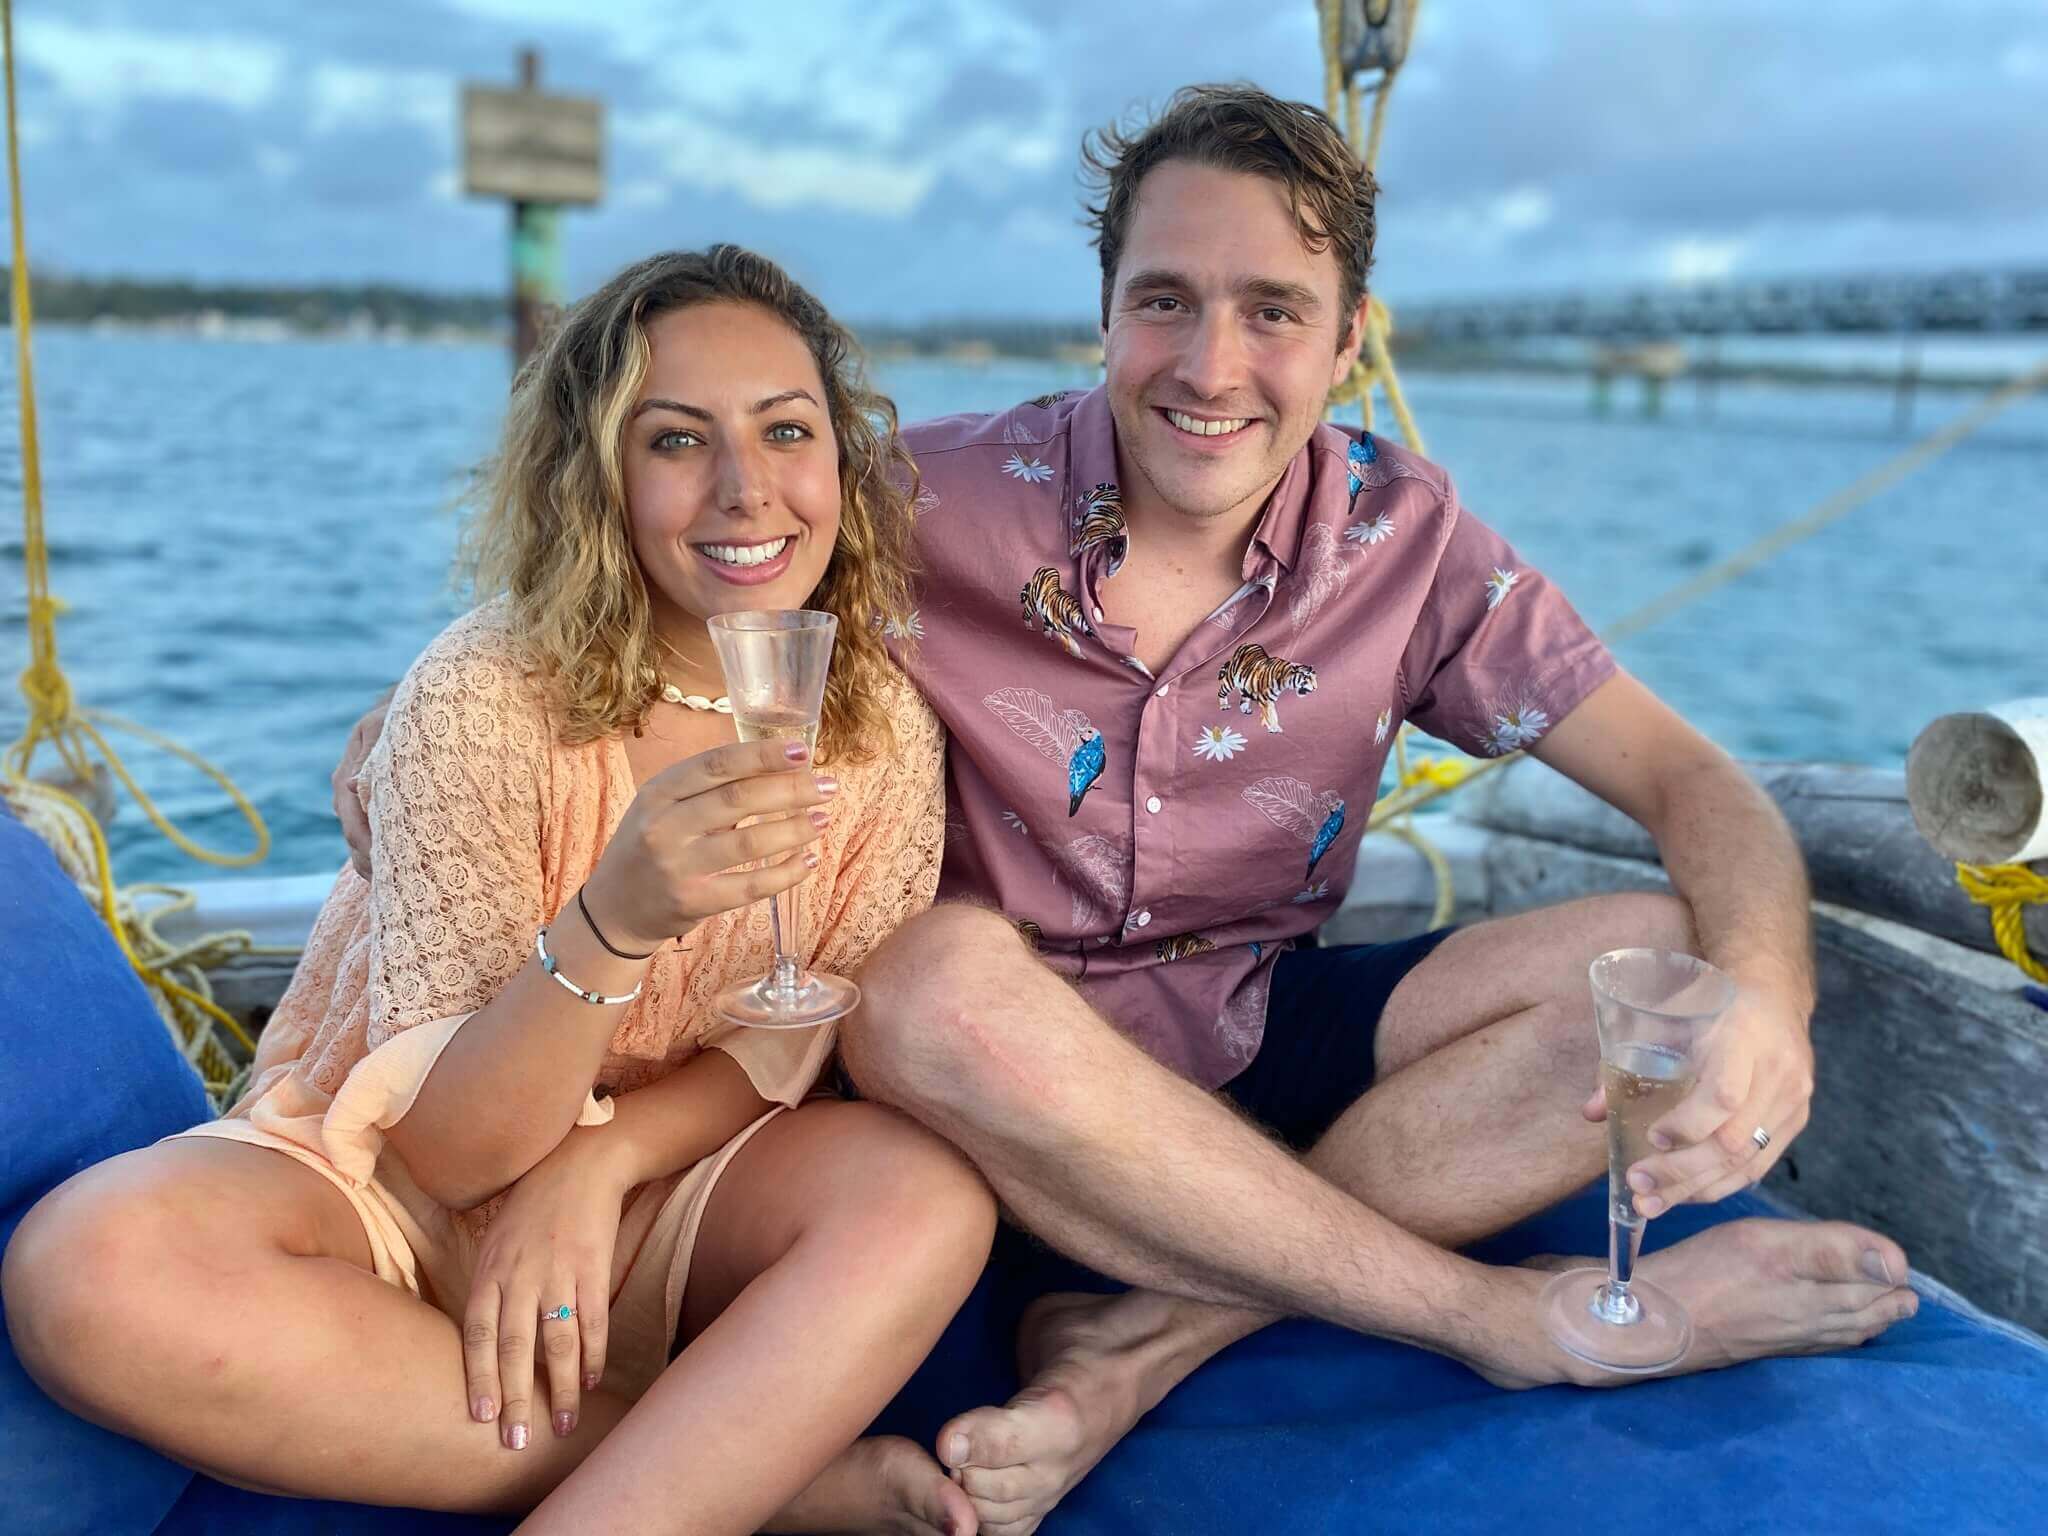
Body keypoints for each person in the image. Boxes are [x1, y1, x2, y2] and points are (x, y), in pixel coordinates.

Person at [328, 89, 1916, 1536]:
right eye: (1166, 300)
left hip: (1250, 1027)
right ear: (1105, 316)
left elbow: (1692, 784)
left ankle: (1156, 1339)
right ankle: (1483, 1314)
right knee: (930, 974)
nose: (1210, 366)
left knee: (1650, 954)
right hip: (974, 1076)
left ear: (1352, 339)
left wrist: (1769, 993)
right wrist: (413, 731)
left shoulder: (1407, 539)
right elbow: (681, 553)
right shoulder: (915, 499)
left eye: (1272, 313)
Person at [4, 246, 996, 1536]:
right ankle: (760, 1475)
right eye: (677, 440)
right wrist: (616, 921)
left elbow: (792, 1029)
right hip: (388, 1181)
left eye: (787, 431)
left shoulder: (876, 730)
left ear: (841, 466)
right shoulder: (483, 694)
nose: (746, 489)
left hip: (654, 1199)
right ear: (600, 480)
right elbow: (449, 1150)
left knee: (922, 1198)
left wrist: (602, 1167)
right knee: (89, 1271)